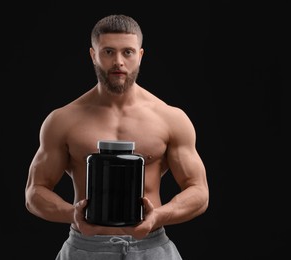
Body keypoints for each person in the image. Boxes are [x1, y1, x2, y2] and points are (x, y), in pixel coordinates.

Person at [25, 14, 209, 260]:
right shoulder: (63, 120)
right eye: (109, 51)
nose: (118, 61)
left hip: (151, 249)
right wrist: (72, 214)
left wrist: (159, 215)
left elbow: (199, 191)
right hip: (85, 249)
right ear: (93, 55)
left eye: (128, 52)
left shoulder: (170, 118)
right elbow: (34, 192)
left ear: (140, 55)